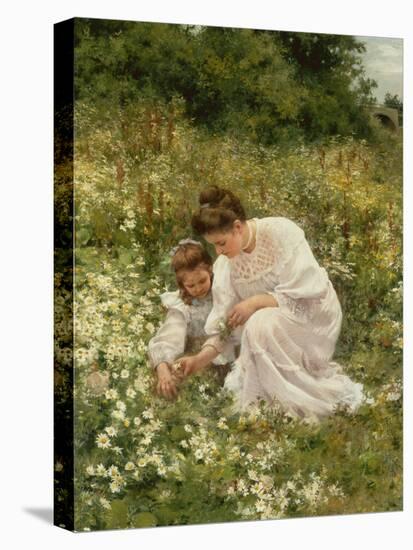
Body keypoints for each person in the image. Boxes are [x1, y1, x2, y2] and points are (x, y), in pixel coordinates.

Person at [179, 186, 364, 420]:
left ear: (237, 227)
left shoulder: (281, 232)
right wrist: (198, 361)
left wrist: (256, 301)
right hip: (271, 327)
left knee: (259, 322)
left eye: (222, 243)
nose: (218, 251)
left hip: (312, 316)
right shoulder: (226, 266)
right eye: (213, 245)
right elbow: (228, 324)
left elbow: (308, 291)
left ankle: (297, 400)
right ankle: (275, 405)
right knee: (259, 324)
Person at [148, 239, 231, 399]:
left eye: (202, 281)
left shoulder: (222, 292)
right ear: (182, 285)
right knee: (175, 381)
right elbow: (170, 336)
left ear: (210, 271)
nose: (199, 288)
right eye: (191, 286)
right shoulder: (182, 306)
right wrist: (162, 367)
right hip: (195, 359)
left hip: (225, 353)